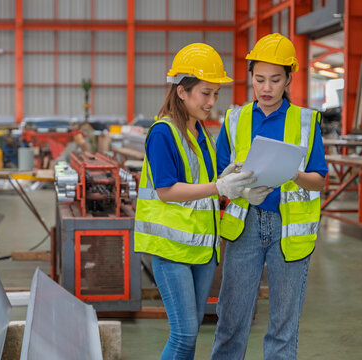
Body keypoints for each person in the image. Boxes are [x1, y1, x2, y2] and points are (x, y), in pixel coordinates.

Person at [134, 43, 256, 360]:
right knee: (184, 334)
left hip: (202, 249)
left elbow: (205, 181)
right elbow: (166, 191)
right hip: (171, 249)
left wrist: (232, 182)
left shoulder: (200, 131)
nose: (212, 102)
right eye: (205, 93)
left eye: (216, 94)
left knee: (191, 335)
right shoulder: (163, 133)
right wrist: (219, 185)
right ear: (182, 91)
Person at [211, 33, 329, 360]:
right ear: (250, 78)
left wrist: (295, 174)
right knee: (232, 319)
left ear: (289, 79)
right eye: (259, 79)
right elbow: (220, 174)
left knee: (282, 325)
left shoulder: (306, 121)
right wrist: (239, 185)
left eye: (275, 80)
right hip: (245, 225)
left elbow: (319, 180)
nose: (266, 87)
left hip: (288, 230)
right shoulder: (234, 120)